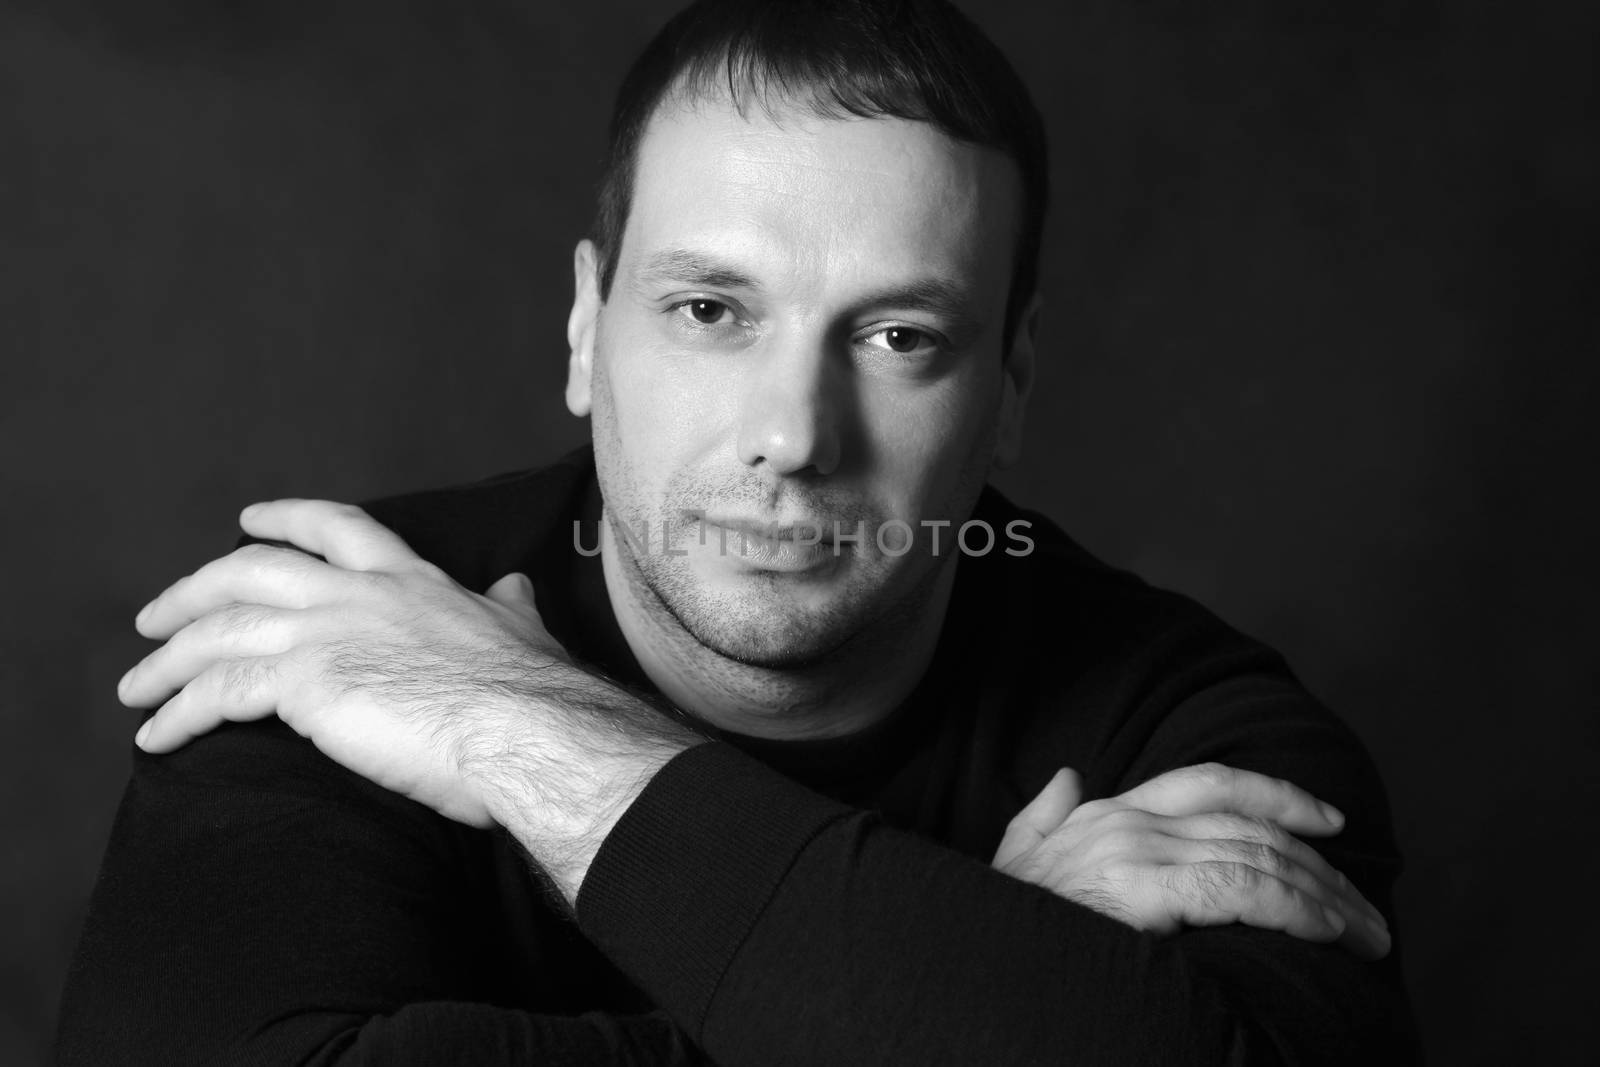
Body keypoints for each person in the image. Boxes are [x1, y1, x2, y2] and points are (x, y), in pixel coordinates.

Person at [57, 0, 1419, 1063]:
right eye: (711, 311)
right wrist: (983, 963)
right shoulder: (340, 638)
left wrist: (533, 732)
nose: (795, 434)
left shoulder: (1203, 748)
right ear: (589, 328)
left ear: (1009, 386)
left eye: (900, 337)